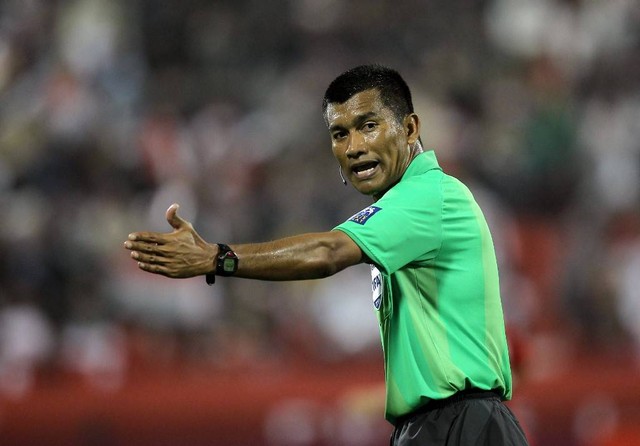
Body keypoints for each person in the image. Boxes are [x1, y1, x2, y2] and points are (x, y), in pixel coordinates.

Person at [124, 64, 529, 445]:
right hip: (438, 424)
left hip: (463, 426)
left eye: (368, 126)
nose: (354, 147)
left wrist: (218, 258)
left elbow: (327, 252)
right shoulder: (404, 213)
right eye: (340, 134)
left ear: (409, 128)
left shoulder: (429, 196)